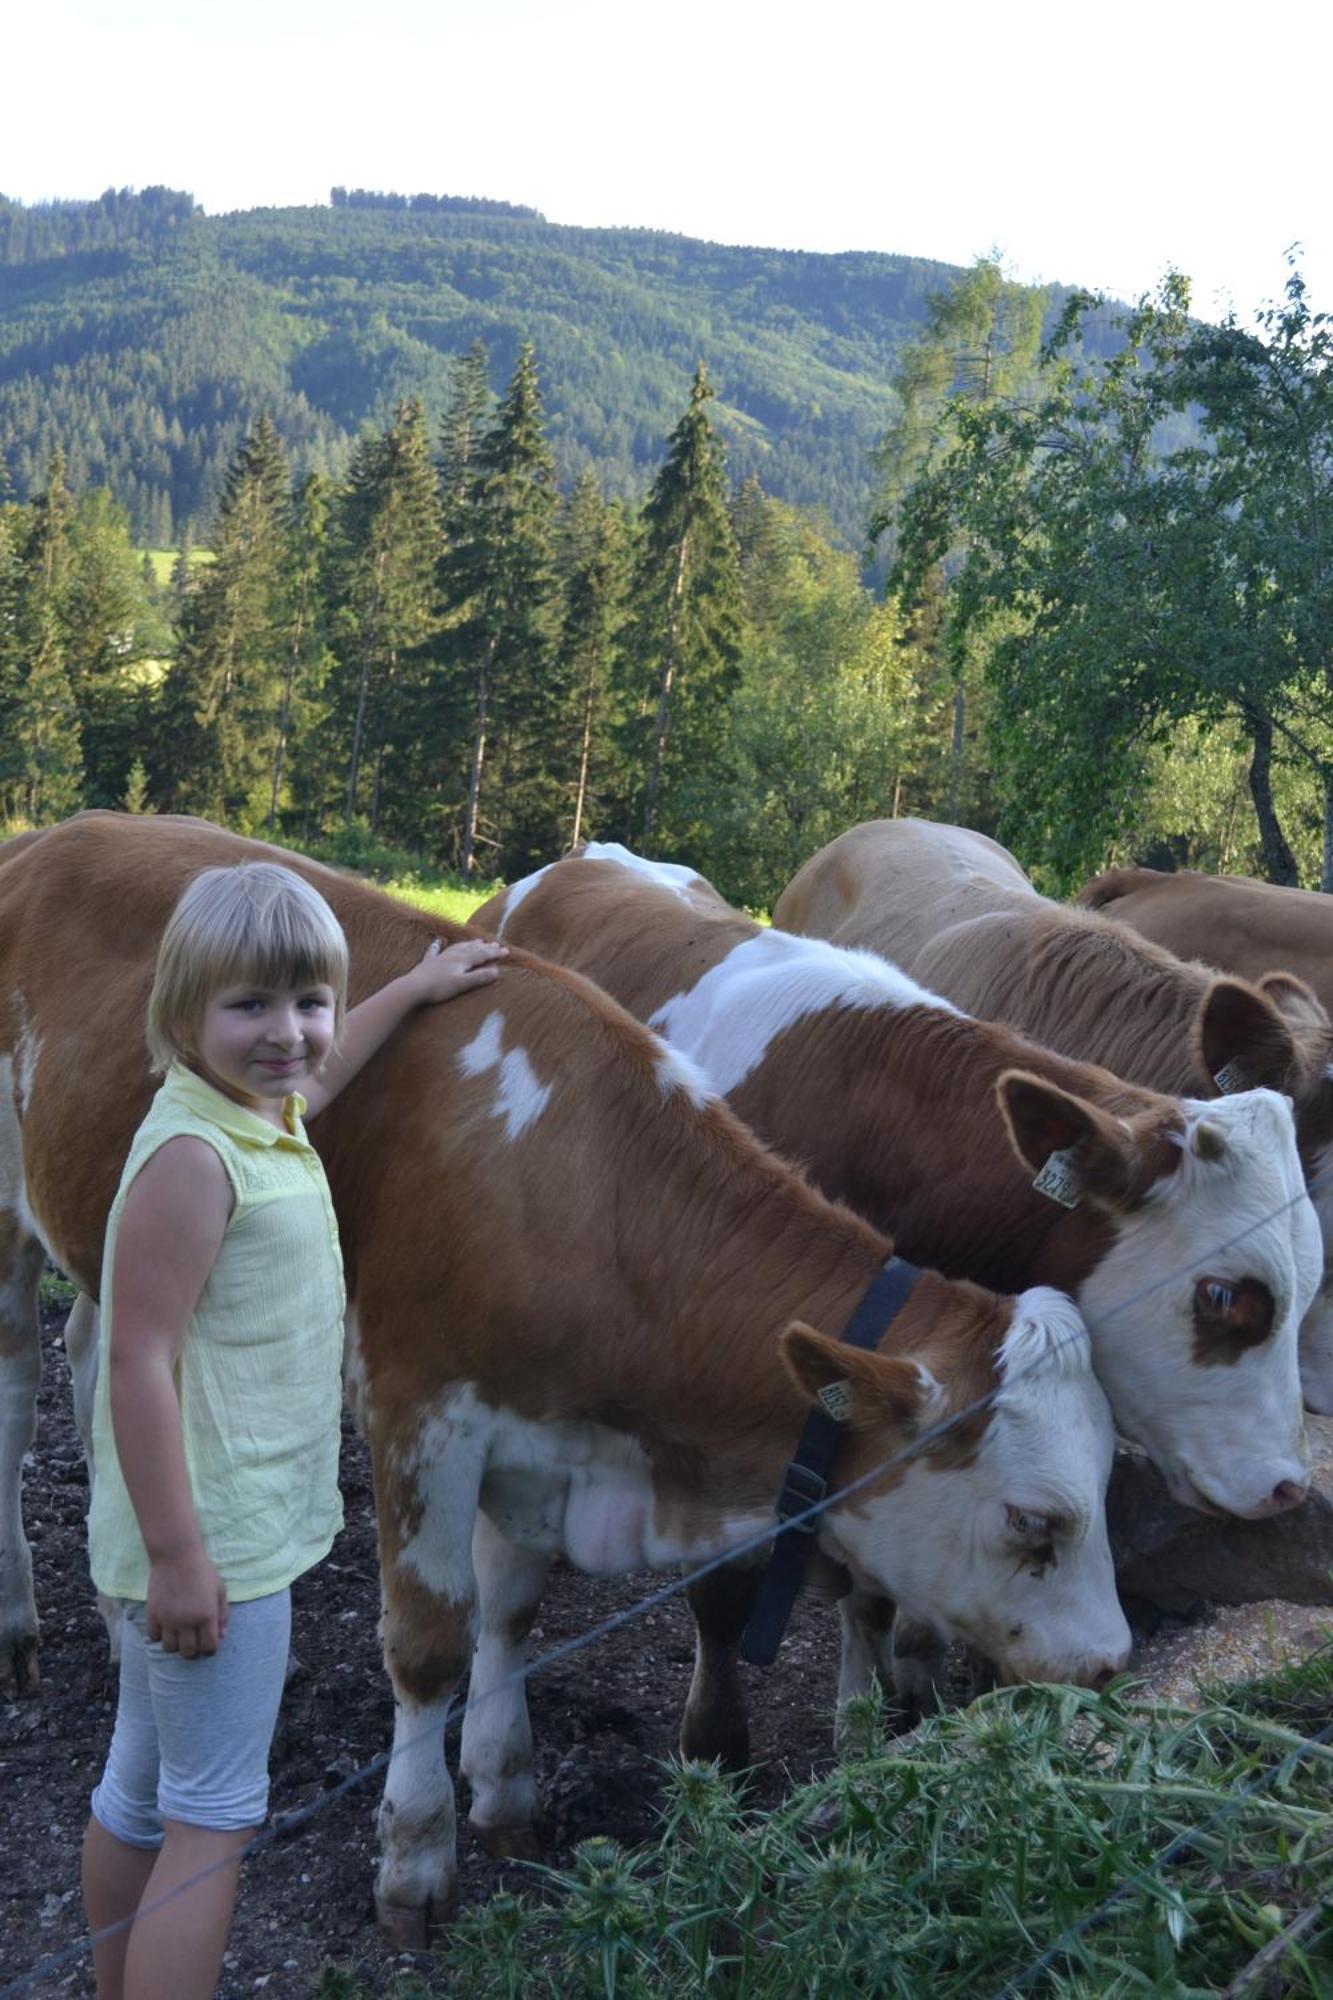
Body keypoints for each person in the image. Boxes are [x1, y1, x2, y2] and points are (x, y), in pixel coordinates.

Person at [79, 861, 505, 2000]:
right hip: (216, 1537)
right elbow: (137, 1356)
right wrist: (180, 1555)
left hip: (194, 1525)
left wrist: (410, 991)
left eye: (307, 1000)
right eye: (250, 1006)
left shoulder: (252, 1110)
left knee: (138, 1785)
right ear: (182, 1016)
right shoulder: (193, 1158)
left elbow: (320, 1068)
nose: (289, 1033)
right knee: (213, 1818)